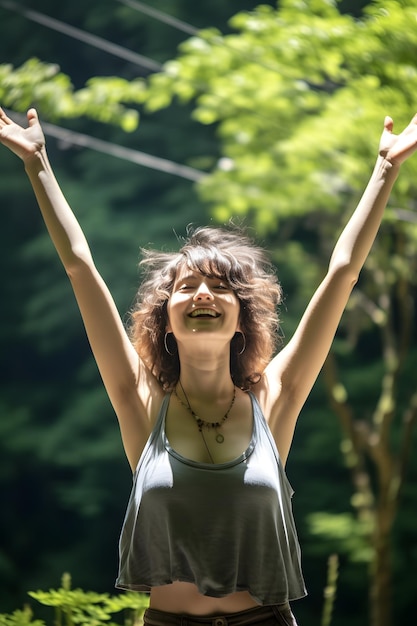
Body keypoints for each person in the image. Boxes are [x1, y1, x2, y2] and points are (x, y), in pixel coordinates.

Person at [1, 106, 417, 626]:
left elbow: (343, 271)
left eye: (221, 287)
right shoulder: (140, 399)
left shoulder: (275, 396)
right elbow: (79, 266)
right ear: (165, 319)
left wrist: (386, 169)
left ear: (242, 319)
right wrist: (38, 161)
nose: (203, 294)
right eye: (186, 287)